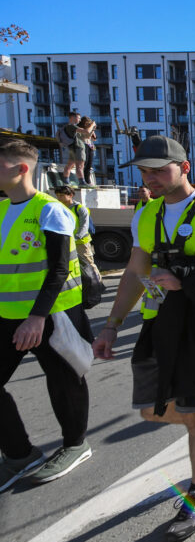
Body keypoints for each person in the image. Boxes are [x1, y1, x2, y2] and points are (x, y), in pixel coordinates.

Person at [92, 135, 195, 542]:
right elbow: (133, 273)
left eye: (159, 170)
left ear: (184, 168)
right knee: (150, 409)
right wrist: (111, 324)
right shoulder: (145, 215)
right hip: (159, 322)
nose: (150, 179)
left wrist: (187, 276)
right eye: (144, 171)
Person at [0, 138, 93, 491]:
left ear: (21, 168)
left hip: (52, 315)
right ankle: (20, 454)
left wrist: (37, 317)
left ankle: (75, 444)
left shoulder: (50, 210)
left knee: (65, 380)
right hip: (7, 314)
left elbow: (57, 269)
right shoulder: (1, 209)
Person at [52, 185, 100, 280]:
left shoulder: (80, 208)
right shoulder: (58, 207)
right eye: (57, 195)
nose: (59, 197)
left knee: (88, 264)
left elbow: (84, 226)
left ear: (70, 195)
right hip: (67, 242)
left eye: (61, 195)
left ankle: (97, 283)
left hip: (80, 243)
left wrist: (76, 237)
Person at [57, 111, 86, 187]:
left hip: (72, 148)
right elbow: (86, 132)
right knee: (80, 166)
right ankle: (82, 182)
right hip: (77, 148)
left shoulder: (68, 127)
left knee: (70, 165)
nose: (79, 120)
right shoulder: (71, 126)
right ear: (73, 117)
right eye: (78, 118)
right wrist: (92, 124)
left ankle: (66, 181)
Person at [78, 116, 97, 186]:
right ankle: (83, 180)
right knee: (85, 164)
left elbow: (94, 138)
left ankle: (87, 180)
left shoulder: (90, 129)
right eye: (87, 123)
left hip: (89, 146)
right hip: (83, 145)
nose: (88, 124)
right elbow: (87, 135)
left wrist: (93, 129)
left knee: (89, 164)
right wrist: (91, 127)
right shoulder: (80, 129)